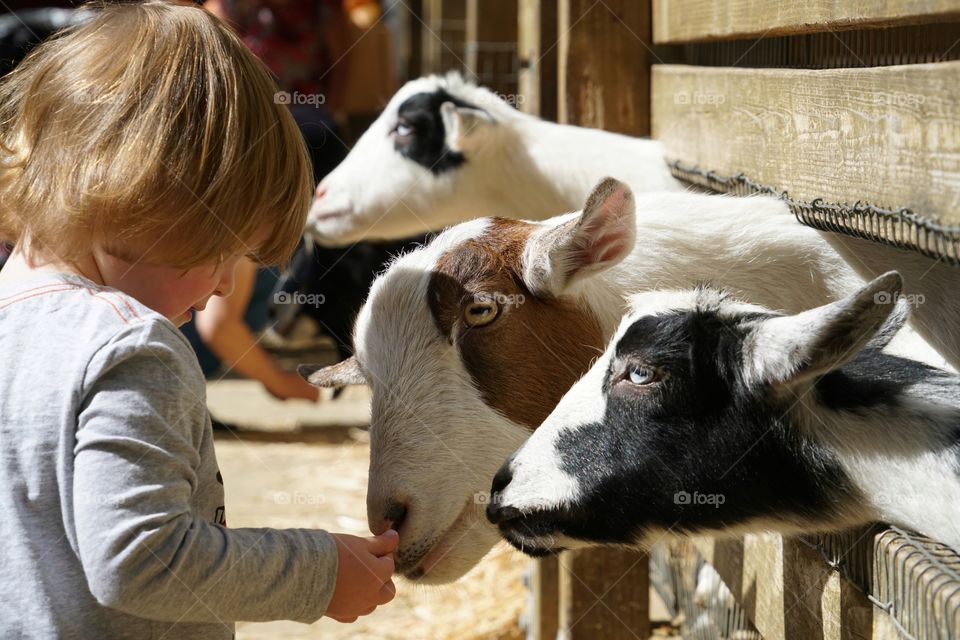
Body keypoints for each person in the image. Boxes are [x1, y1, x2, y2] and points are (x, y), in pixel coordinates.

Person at [0, 2, 396, 638]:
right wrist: (317, 571)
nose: (221, 287)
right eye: (226, 253)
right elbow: (142, 559)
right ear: (148, 199)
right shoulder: (132, 347)